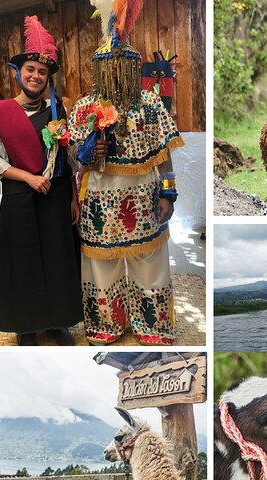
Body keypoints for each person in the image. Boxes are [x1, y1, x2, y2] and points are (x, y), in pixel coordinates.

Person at [68, 2, 183, 345]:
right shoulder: (85, 107)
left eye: (125, 64)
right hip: (99, 203)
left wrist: (167, 193)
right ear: (100, 68)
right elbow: (70, 157)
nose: (117, 70)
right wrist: (87, 151)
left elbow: (164, 157)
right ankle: (106, 324)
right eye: (110, 64)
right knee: (100, 267)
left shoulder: (150, 104)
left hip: (144, 200)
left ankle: (152, 325)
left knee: (150, 261)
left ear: (135, 67)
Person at [0, 16, 82, 346]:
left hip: (58, 195)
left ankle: (58, 322)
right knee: (23, 259)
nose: (35, 76)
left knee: (58, 258)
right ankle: (26, 325)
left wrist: (75, 197)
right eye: (30, 70)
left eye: (42, 72)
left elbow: (68, 158)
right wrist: (29, 178)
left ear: (48, 78)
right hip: (22, 196)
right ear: (19, 73)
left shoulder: (59, 112)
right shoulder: (2, 114)